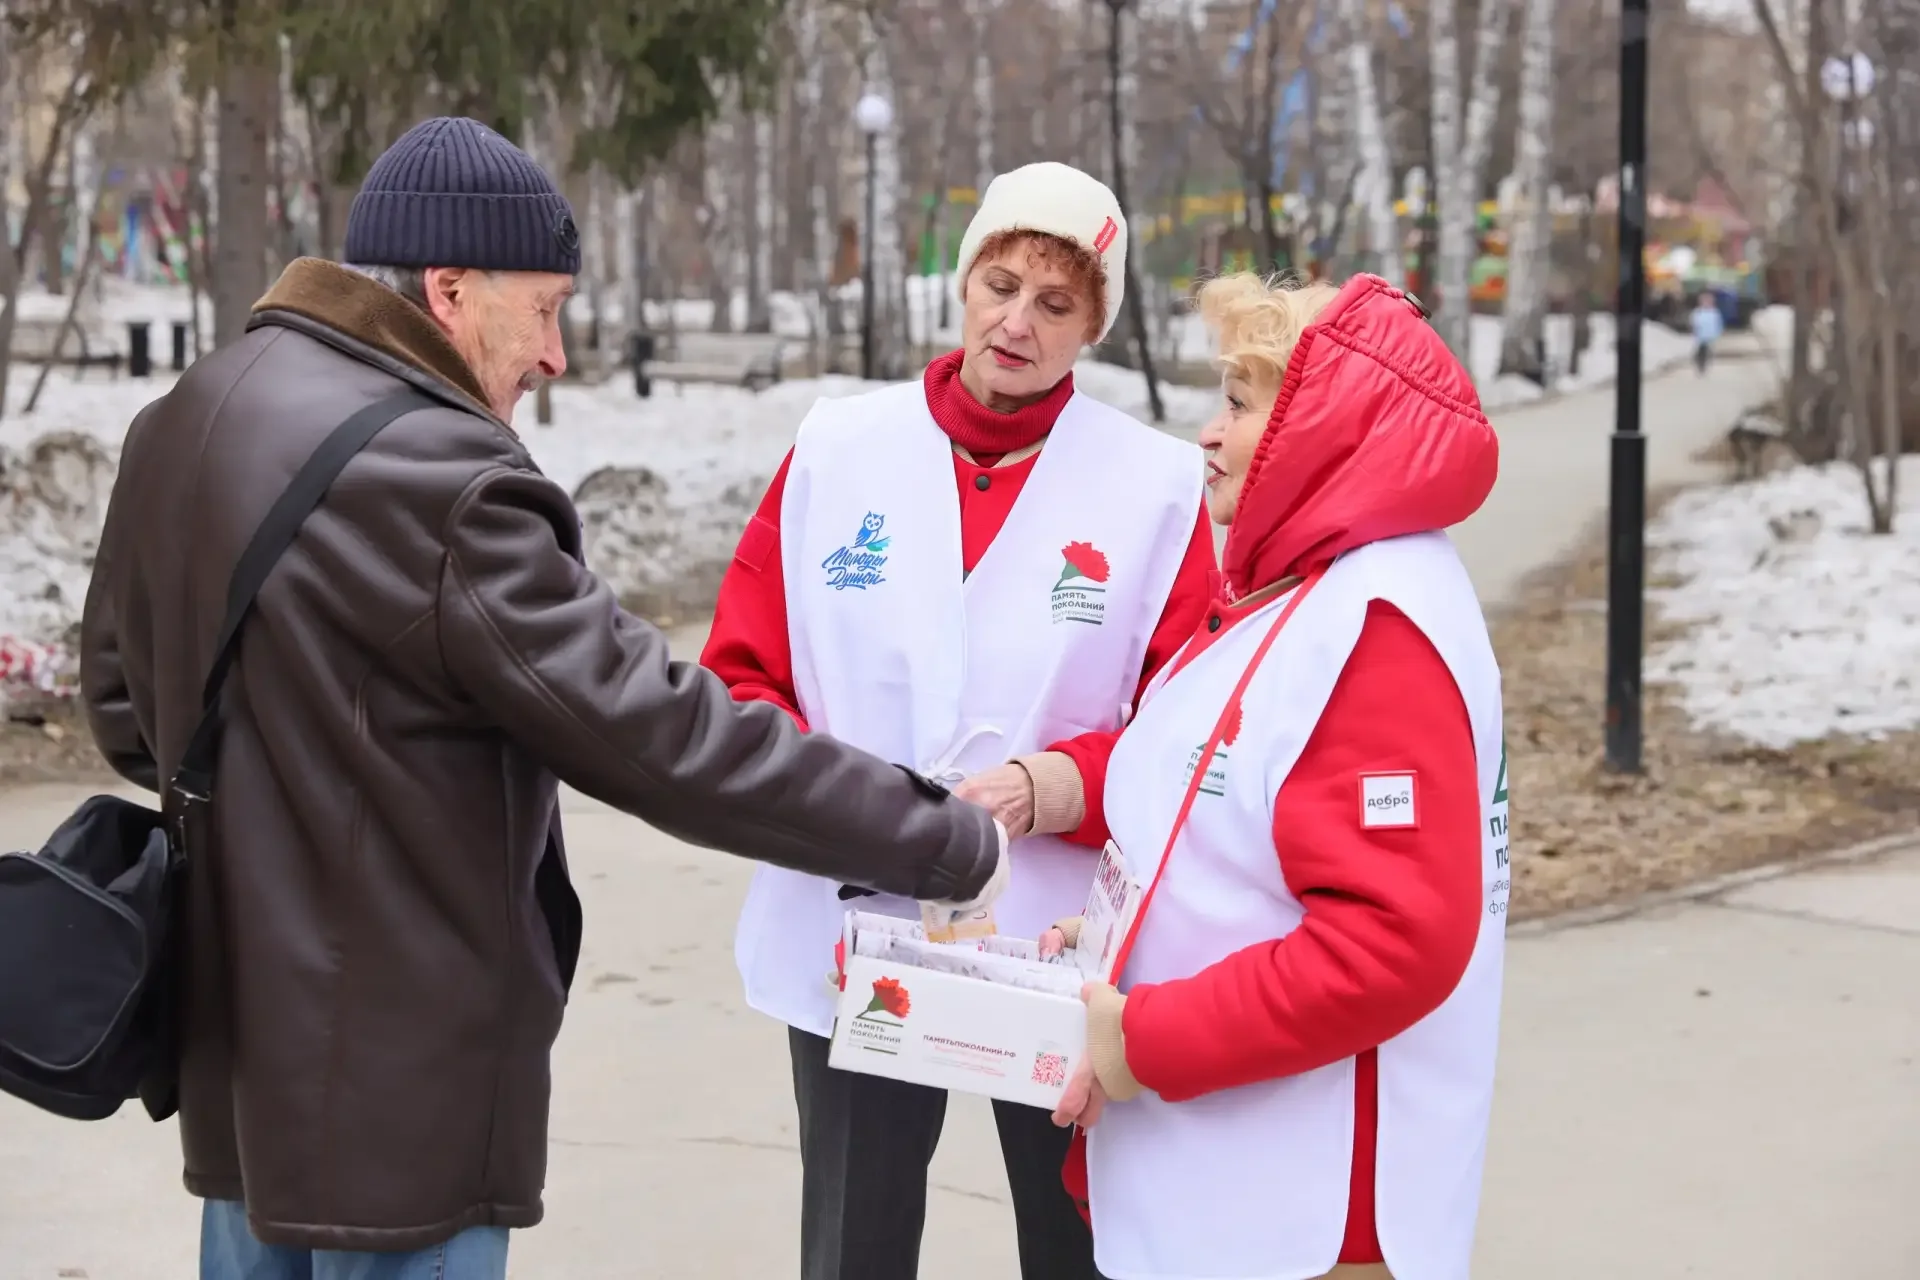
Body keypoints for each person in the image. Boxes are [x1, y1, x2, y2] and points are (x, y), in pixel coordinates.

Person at [79, 116, 1008, 1280]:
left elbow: (122, 708)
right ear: (450, 289)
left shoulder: (189, 412)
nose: (556, 354)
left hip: (237, 1065)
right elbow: (667, 736)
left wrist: (291, 816)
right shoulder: (445, 482)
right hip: (407, 1096)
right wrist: (942, 835)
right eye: (547, 308)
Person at [701, 161, 1217, 1280]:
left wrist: (1054, 785)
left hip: (1054, 940)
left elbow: (1193, 725)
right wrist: (833, 804)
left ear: (1094, 328)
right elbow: (742, 676)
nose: (1018, 322)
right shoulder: (838, 451)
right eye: (1001, 285)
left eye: (1057, 302)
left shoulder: (1156, 488)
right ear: (964, 284)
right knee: (856, 1243)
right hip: (856, 926)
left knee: (1077, 1246)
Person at [1028, 271, 1508, 1280]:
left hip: (1303, 1212)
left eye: (1241, 406)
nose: (1208, 434)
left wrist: (1144, 1038)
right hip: (1227, 1187)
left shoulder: (1376, 623)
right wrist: (1118, 941)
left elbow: (1391, 943)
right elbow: (1229, 827)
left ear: (1321, 428)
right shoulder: (1301, 590)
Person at [1690, 290, 1725, 374]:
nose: (1706, 303)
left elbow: (1719, 324)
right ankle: (1700, 364)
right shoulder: (1697, 312)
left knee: (1707, 351)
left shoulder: (1714, 312)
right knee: (1700, 350)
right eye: (1704, 301)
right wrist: (1694, 330)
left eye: (1708, 301)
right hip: (1700, 336)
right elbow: (1693, 323)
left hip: (1710, 336)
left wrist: (1718, 333)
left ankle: (1704, 364)